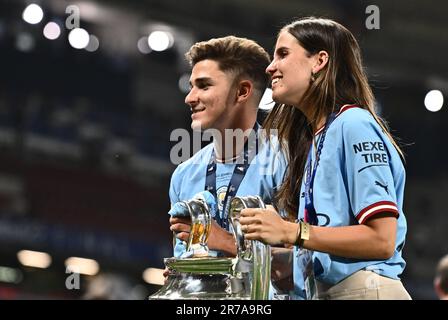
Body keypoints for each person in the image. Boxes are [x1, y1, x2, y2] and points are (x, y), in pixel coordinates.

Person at [239, 17, 411, 300]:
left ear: (319, 61)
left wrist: (290, 231)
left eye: (283, 54)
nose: (271, 67)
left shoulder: (353, 124)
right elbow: (329, 239)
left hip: (366, 291)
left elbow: (381, 240)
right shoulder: (319, 137)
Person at [168, 36, 287, 263]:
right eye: (192, 86)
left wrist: (225, 242)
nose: (190, 98)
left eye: (204, 86)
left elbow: (307, 263)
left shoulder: (286, 161)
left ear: (242, 91)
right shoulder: (183, 175)